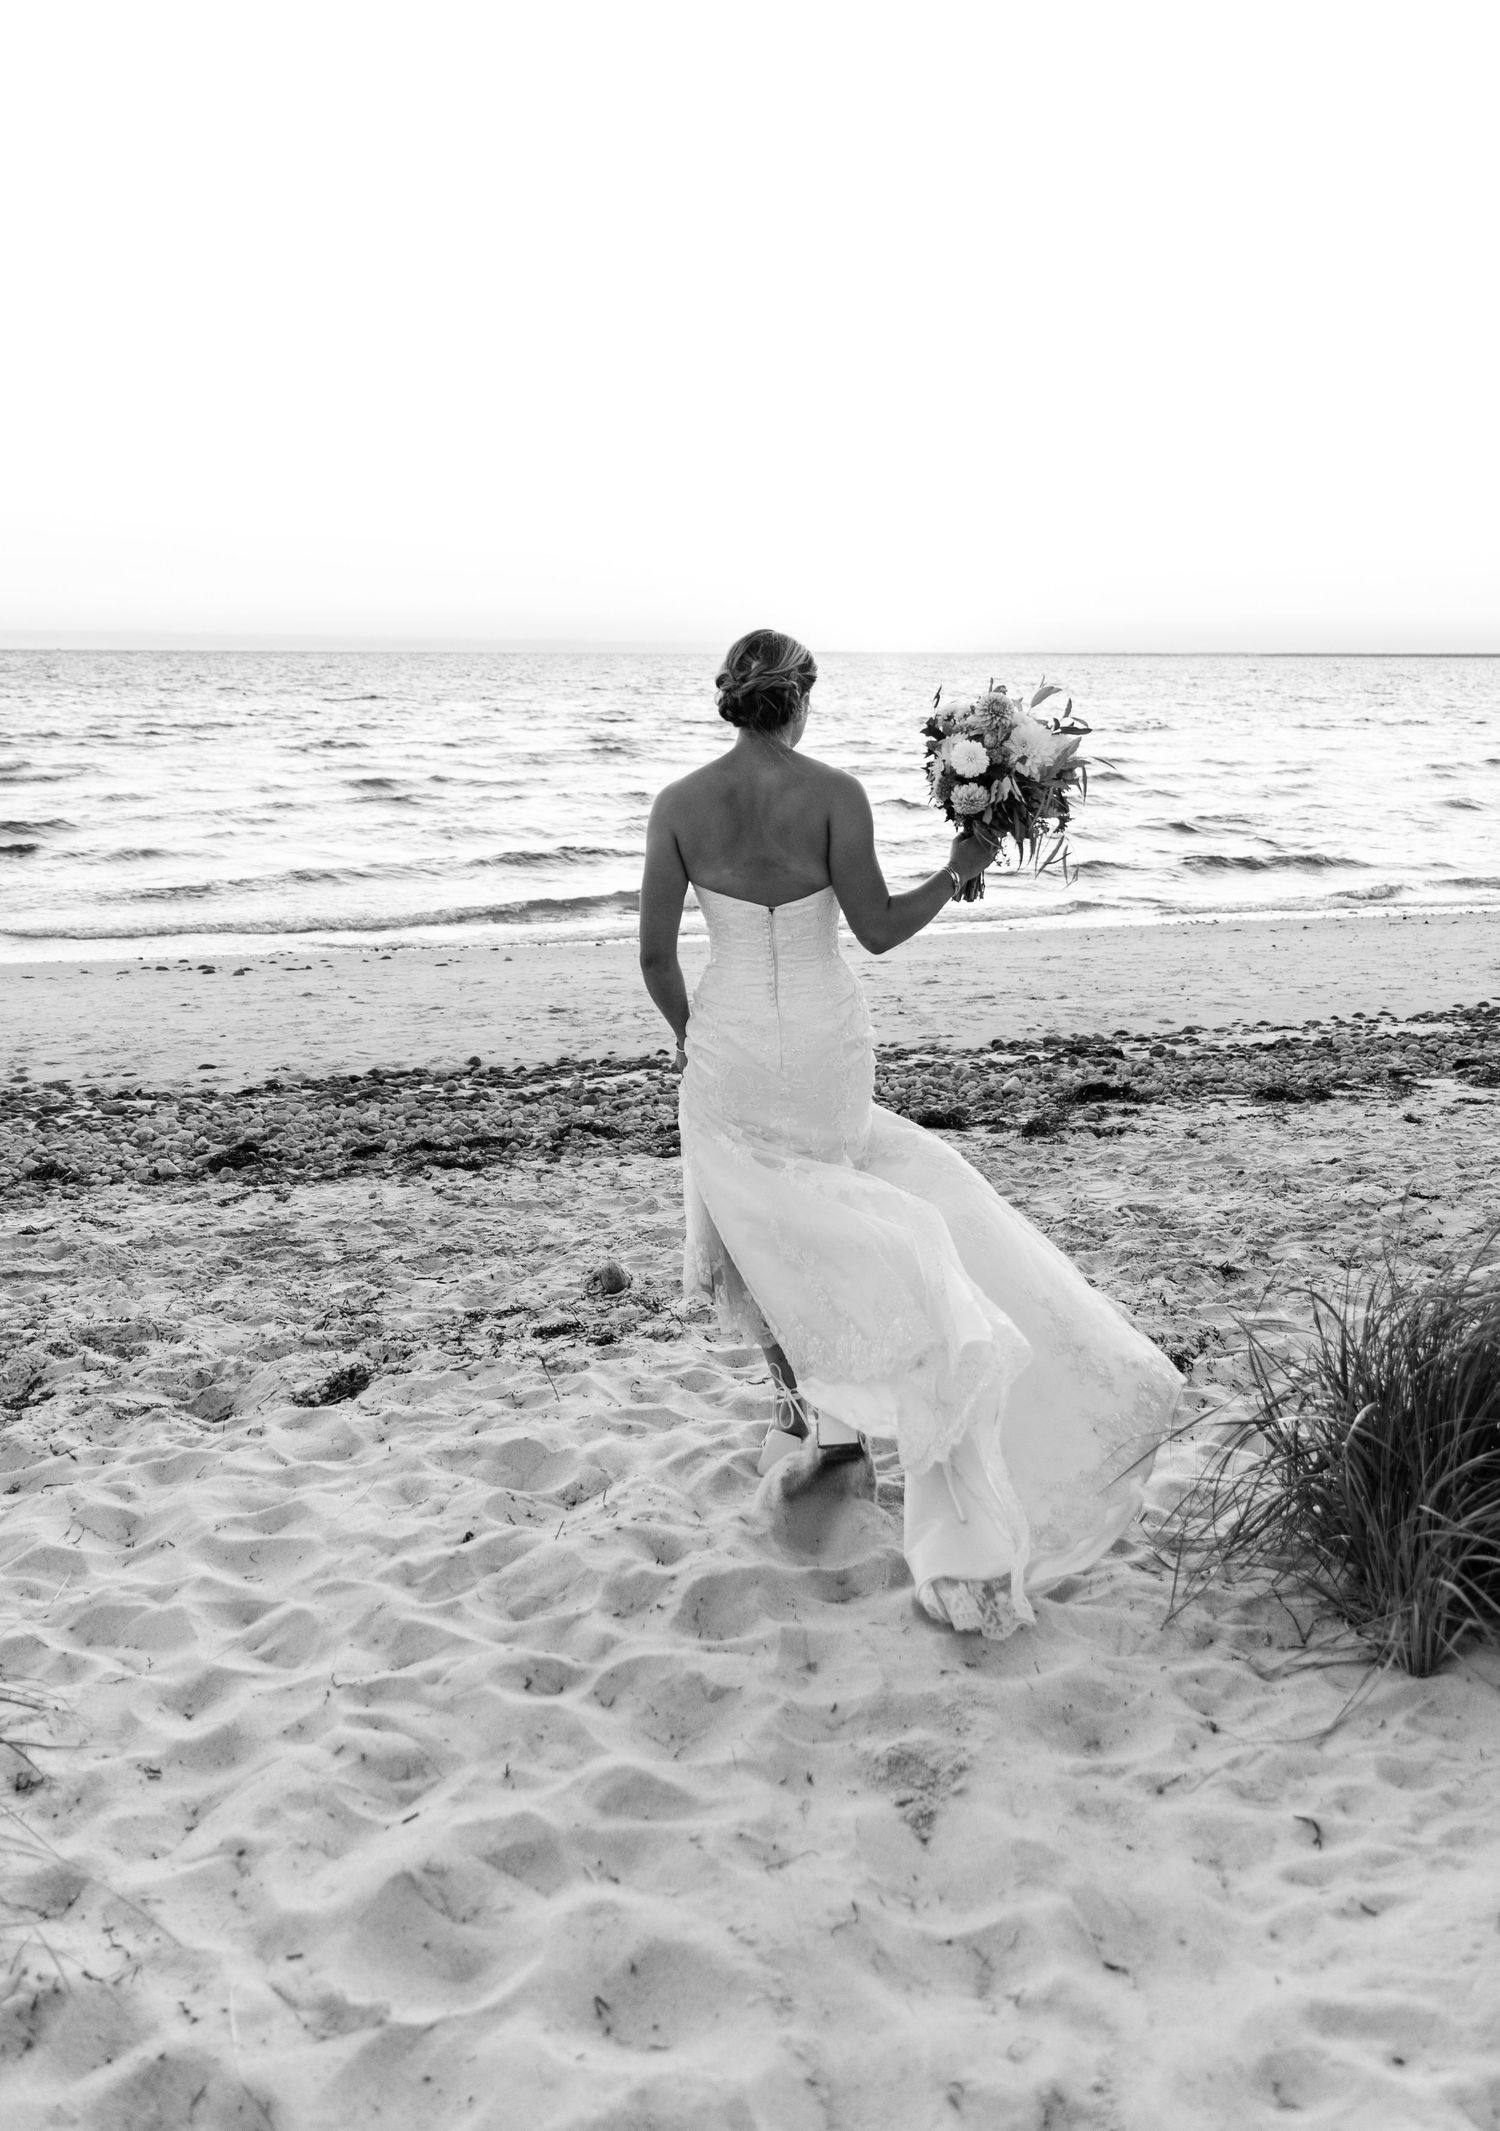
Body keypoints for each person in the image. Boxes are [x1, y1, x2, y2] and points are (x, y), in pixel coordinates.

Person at [638, 628, 1180, 1638]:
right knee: (841, 1199)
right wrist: (960, 866)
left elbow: (656, 957)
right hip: (828, 1043)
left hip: (730, 1040)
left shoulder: (677, 805)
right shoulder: (834, 794)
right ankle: (835, 1429)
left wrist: (689, 1038)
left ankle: (817, 1423)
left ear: (732, 698)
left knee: (766, 1227)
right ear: (798, 698)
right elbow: (878, 929)